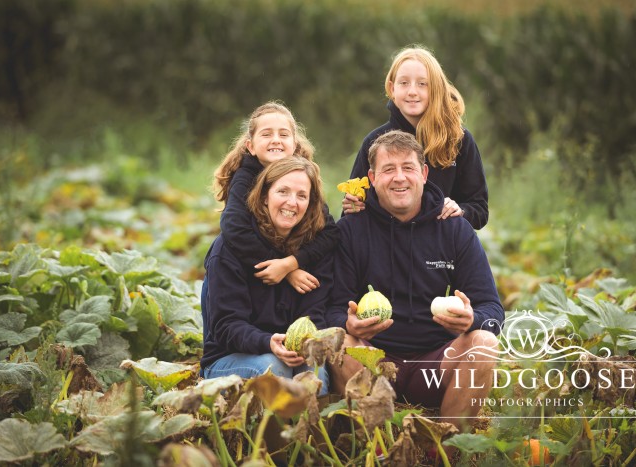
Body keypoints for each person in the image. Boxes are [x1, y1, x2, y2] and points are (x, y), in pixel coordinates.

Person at [327, 130, 503, 427]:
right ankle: (379, 449)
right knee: (340, 342)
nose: (399, 178)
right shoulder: (351, 230)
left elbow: (493, 311)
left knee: (484, 342)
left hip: (436, 365)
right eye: (388, 169)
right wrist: (348, 323)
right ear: (371, 178)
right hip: (374, 362)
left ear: (423, 173)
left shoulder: (455, 229)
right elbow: (329, 309)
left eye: (407, 167)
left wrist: (471, 320)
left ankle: (446, 450)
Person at [201, 157, 333, 394]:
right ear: (264, 197)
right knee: (272, 368)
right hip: (229, 358)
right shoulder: (230, 248)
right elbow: (225, 326)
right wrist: (267, 341)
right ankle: (269, 431)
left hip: (288, 353)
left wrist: (306, 345)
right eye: (283, 191)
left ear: (310, 204)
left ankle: (307, 431)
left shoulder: (314, 252)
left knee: (316, 373)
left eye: (301, 196)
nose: (292, 203)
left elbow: (315, 314)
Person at [342, 46, 489, 229]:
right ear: (391, 88)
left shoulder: (459, 140)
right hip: (388, 247)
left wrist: (460, 210)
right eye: (404, 83)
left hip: (441, 249)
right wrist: (354, 206)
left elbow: (480, 210)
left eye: (422, 84)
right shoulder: (374, 142)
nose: (412, 91)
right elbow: (352, 211)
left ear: (436, 89)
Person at [213, 101, 339, 294]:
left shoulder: (301, 176)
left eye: (283, 134)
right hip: (237, 276)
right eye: (266, 134)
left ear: (294, 145)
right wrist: (287, 271)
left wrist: (291, 263)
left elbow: (329, 231)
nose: (276, 140)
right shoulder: (244, 178)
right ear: (251, 146)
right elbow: (234, 228)